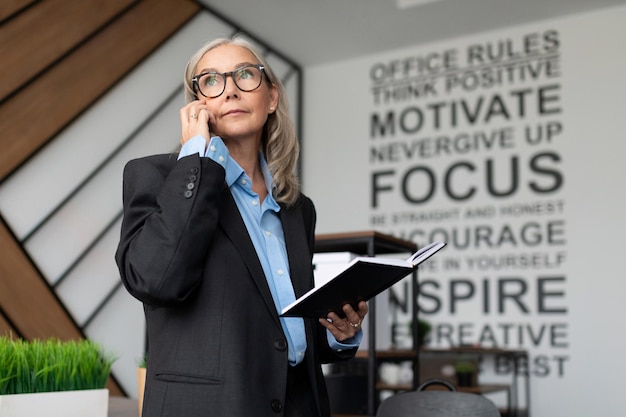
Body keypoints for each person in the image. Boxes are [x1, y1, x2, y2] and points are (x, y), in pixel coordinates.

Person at [115, 35, 368, 417]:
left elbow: (280, 327)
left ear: (271, 97)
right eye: (212, 81)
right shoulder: (156, 176)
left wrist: (338, 336)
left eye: (245, 75)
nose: (231, 91)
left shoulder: (298, 209)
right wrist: (195, 162)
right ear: (196, 106)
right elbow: (156, 280)